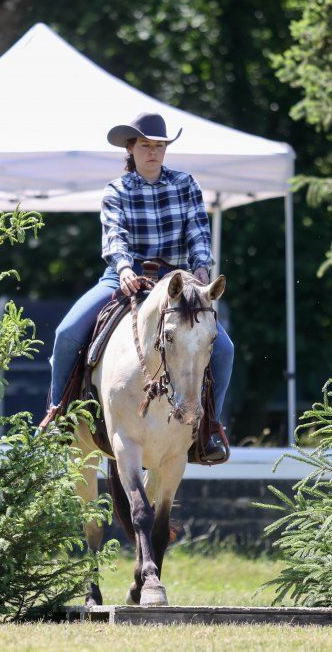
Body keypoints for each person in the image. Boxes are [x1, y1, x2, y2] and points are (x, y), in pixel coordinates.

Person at [39, 112, 232, 459]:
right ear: (131, 148)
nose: (153, 152)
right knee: (67, 333)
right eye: (146, 145)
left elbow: (198, 232)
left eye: (159, 146)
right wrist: (125, 267)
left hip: (176, 284)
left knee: (224, 349)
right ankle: (59, 416)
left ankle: (207, 429)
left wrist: (202, 267)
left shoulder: (186, 184)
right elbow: (115, 236)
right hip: (127, 278)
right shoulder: (117, 189)